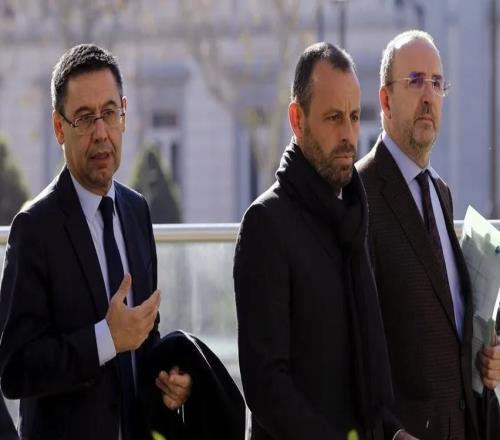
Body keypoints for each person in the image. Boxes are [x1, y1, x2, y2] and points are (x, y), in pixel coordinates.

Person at [0, 44, 191, 440]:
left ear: (124, 114)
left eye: (109, 113)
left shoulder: (137, 211)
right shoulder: (34, 229)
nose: (101, 132)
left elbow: (143, 334)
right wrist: (105, 339)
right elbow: (15, 369)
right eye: (85, 118)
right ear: (59, 128)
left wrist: (169, 380)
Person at [234, 42, 416, 440]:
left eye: (354, 117)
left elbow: (365, 370)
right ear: (297, 119)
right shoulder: (266, 224)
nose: (349, 135)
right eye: (333, 118)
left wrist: (393, 432)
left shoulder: (355, 216)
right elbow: (266, 387)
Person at [356, 30, 500, 440]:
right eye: (415, 80)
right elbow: (355, 341)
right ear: (385, 100)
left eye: (437, 83)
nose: (429, 95)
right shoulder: (359, 193)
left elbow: (447, 316)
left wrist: (487, 355)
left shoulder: (439, 191)